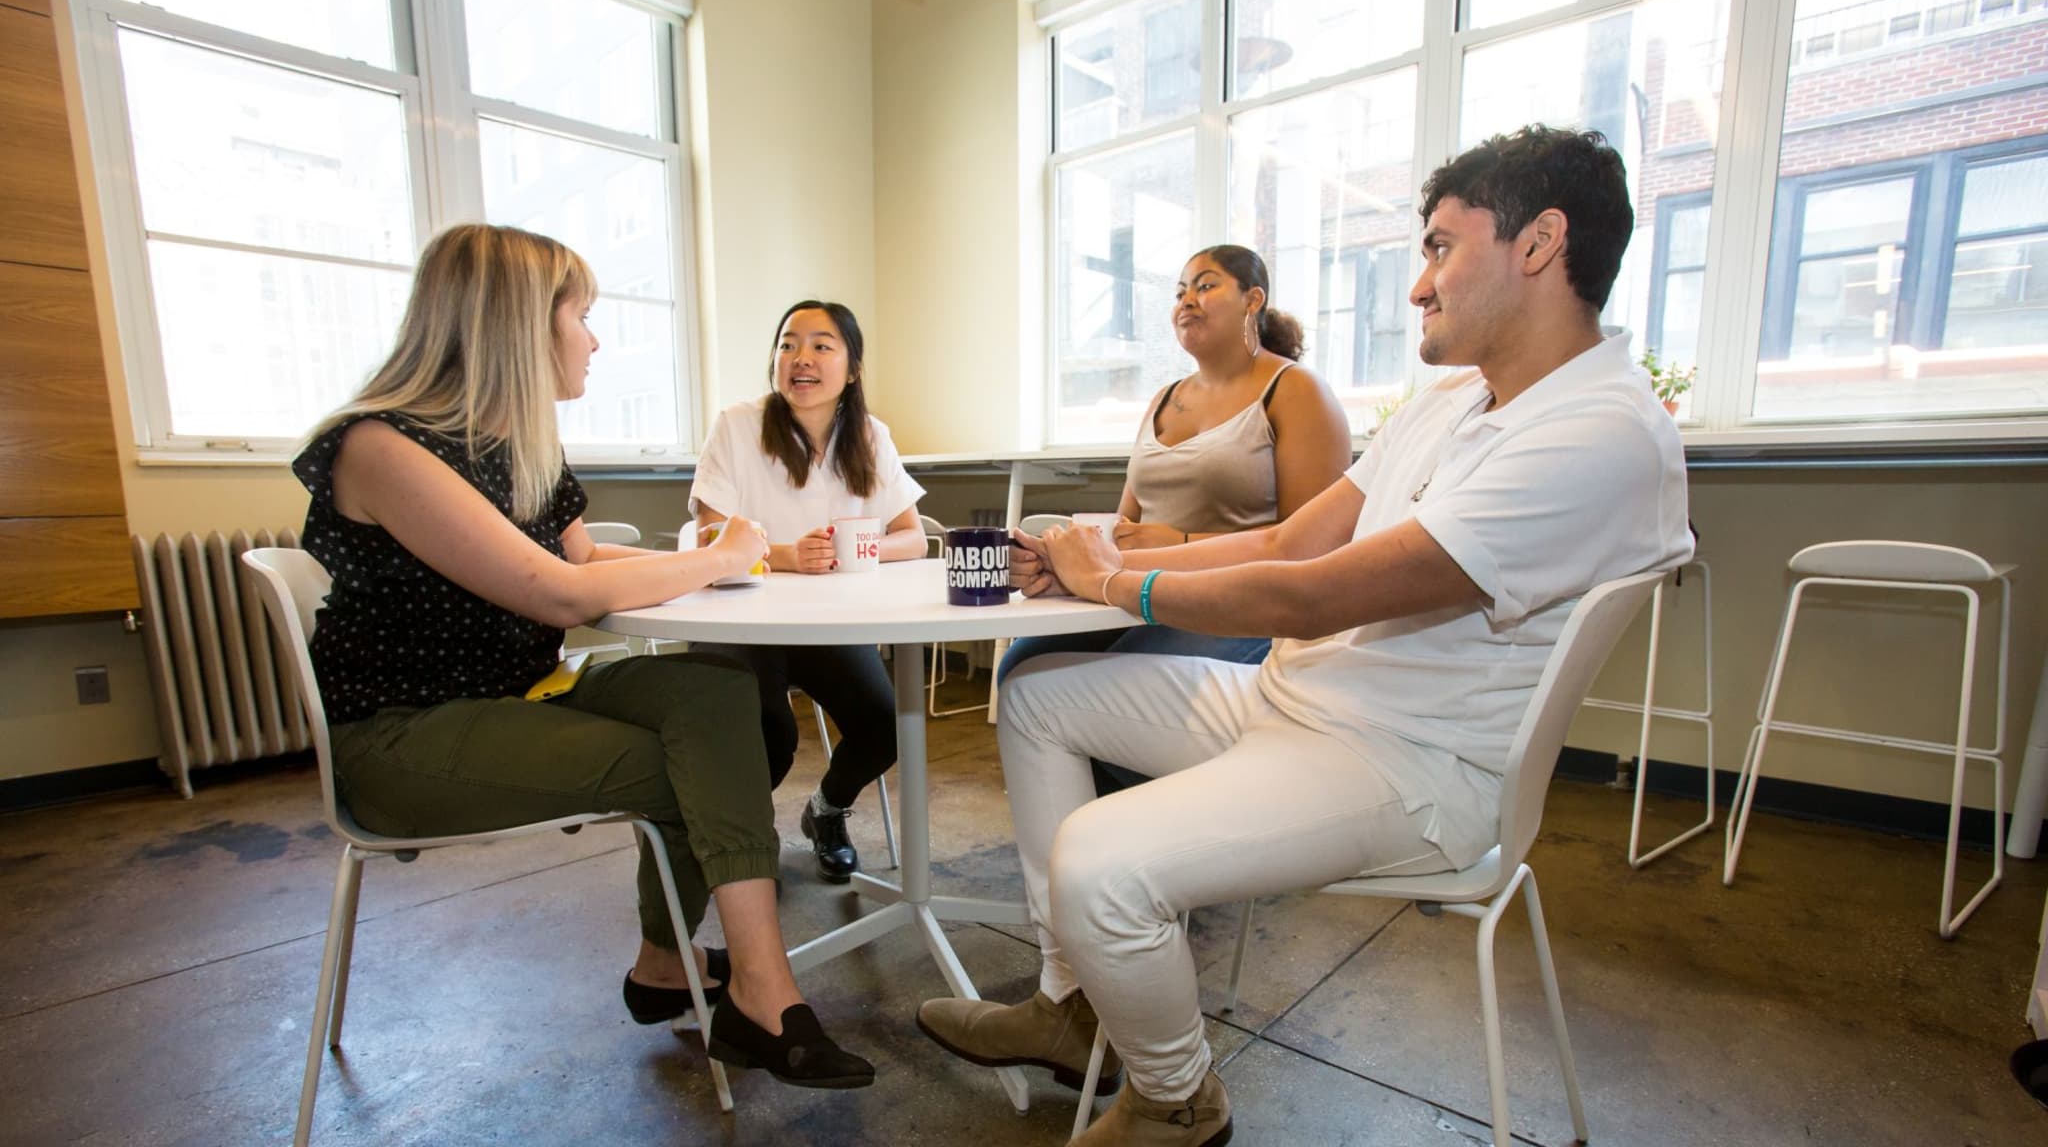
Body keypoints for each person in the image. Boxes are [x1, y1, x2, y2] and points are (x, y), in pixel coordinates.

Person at [917, 125, 1694, 1144]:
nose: (1416, 286)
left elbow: (1312, 596)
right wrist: (1098, 563)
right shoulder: (1456, 399)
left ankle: (1172, 1100)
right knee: (1032, 698)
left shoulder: (1597, 433)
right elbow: (1288, 541)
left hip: (1410, 767)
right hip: (1298, 703)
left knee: (1102, 862)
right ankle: (1072, 1003)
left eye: (1437, 248)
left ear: (1538, 244)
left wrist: (1113, 580)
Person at [294, 224, 872, 1090]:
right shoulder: (381, 447)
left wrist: (738, 559)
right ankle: (761, 992)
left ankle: (673, 970)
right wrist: (725, 555)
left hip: (517, 697)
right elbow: (557, 595)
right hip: (402, 737)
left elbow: (583, 560)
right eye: (583, 316)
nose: (595, 340)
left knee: (718, 700)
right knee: (694, 761)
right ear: (518, 324)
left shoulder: (517, 445)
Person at [996, 244, 1351, 682]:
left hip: (1239, 604)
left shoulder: (1296, 391)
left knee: (1113, 683)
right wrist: (1061, 561)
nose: (1186, 300)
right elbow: (1125, 527)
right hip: (1141, 588)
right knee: (1022, 668)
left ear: (1253, 300)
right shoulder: (1163, 400)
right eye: (1180, 291)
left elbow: (1311, 547)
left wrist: (1176, 541)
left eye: (1206, 286)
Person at [686, 300, 926, 883]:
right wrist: (785, 555)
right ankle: (738, 838)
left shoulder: (869, 435)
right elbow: (707, 537)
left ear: (852, 367)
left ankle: (826, 810)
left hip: (827, 623)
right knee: (770, 733)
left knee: (888, 723)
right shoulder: (738, 425)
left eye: (822, 345)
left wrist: (851, 549)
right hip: (738, 618)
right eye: (789, 344)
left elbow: (912, 539)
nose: (802, 358)